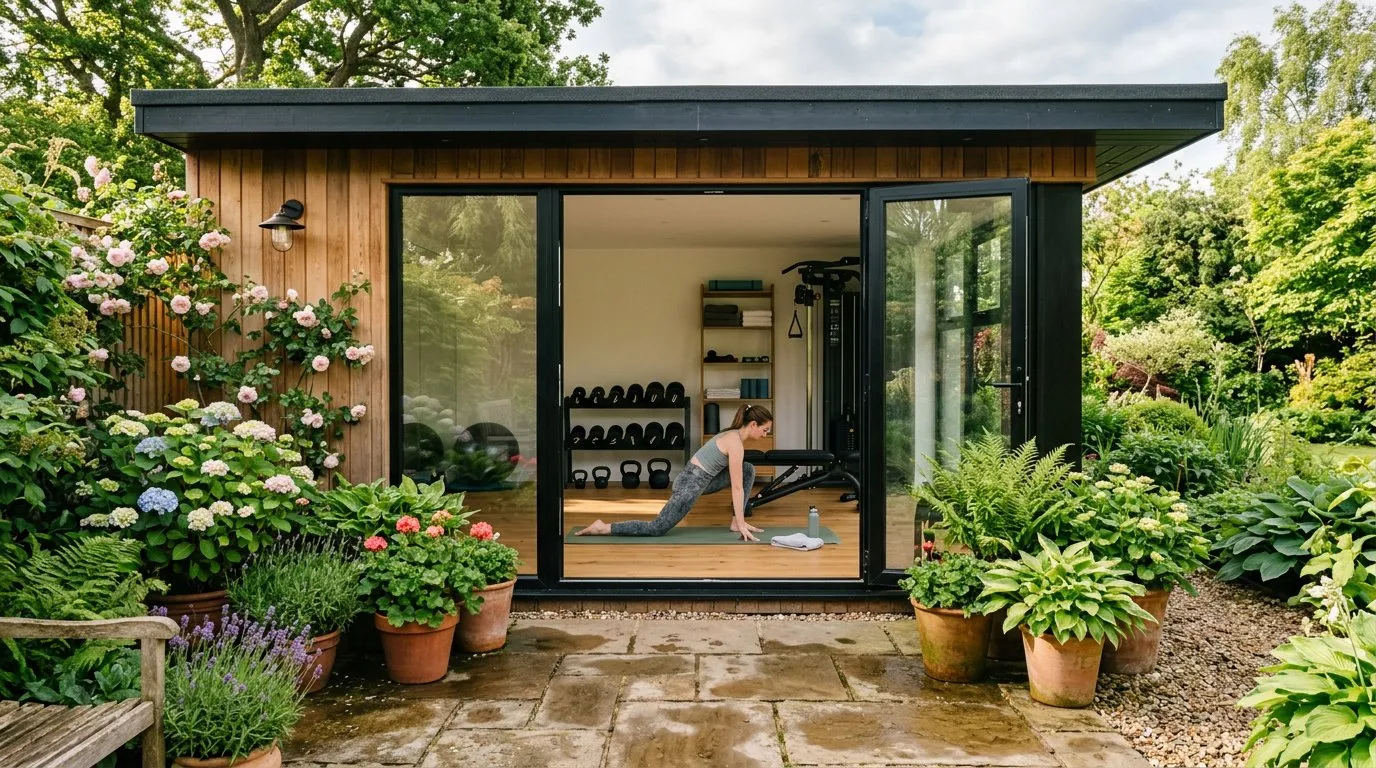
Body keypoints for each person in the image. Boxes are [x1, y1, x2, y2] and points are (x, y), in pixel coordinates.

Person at [574, 403, 772, 541]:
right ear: (753, 424)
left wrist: (739, 521)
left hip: (701, 479)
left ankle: (736, 524)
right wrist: (743, 520)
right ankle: (604, 527)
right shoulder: (735, 443)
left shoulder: (732, 435)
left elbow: (737, 481)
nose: (765, 435)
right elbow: (736, 488)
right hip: (690, 483)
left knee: (747, 469)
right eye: (765, 430)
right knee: (657, 528)